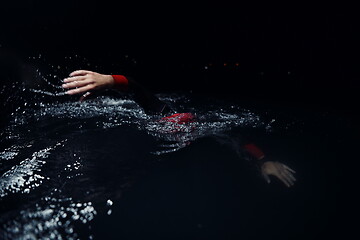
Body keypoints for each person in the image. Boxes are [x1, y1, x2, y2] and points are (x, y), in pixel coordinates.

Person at [62, 70, 296, 187]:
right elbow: (137, 90)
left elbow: (237, 139)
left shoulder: (202, 129)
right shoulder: (162, 115)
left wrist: (264, 160)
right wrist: (110, 81)